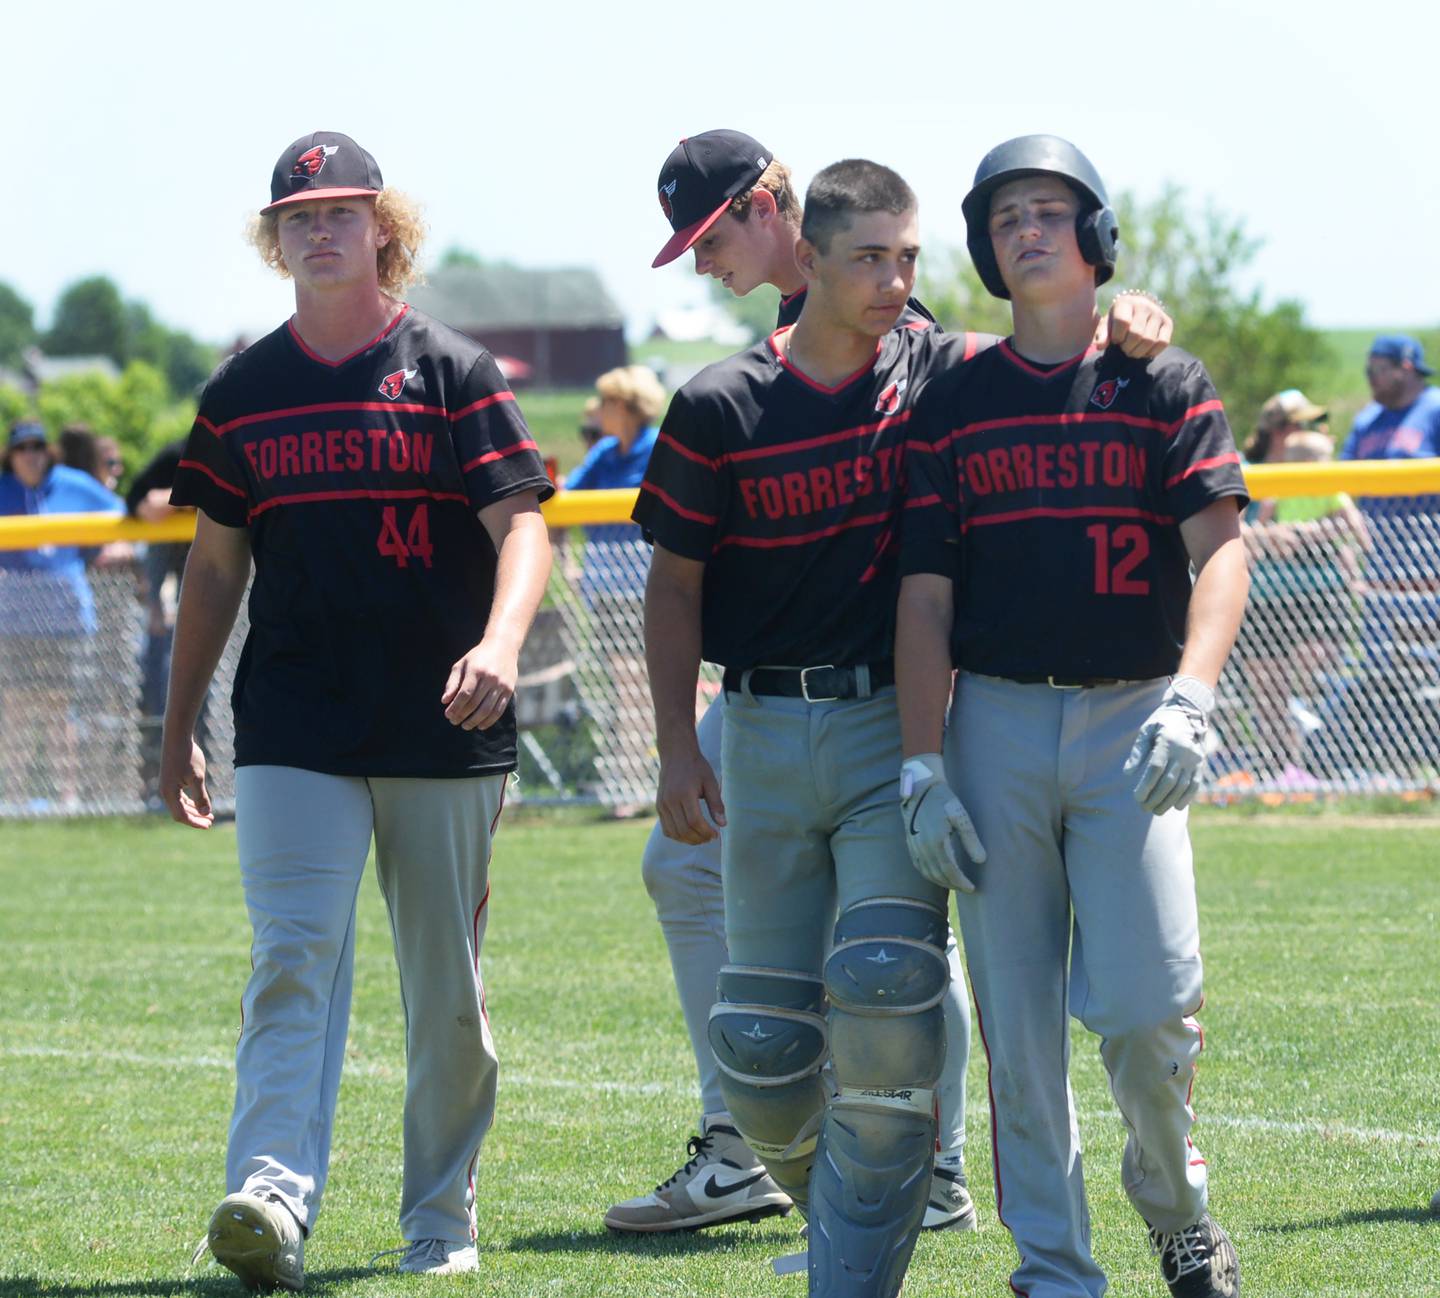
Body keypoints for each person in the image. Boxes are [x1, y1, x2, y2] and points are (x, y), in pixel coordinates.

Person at [605, 128, 1171, 1239]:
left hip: (895, 704)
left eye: (711, 233)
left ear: (774, 215)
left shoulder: (928, 359)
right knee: (743, 954)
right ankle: (775, 1153)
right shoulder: (731, 391)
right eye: (873, 258)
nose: (893, 279)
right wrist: (676, 740)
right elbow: (671, 588)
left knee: (891, 960)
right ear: (816, 252)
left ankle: (934, 1166)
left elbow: (1037, 343)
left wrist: (1122, 317)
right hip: (764, 705)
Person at [163, 131, 553, 1290]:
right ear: (272, 237)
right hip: (292, 723)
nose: (319, 230)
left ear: (384, 226)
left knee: (443, 989)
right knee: (292, 956)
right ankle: (271, 1203)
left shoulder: (452, 370)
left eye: (342, 210)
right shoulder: (243, 389)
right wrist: (179, 719)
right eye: (298, 215)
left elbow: (523, 525)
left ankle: (440, 1214)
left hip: (445, 718)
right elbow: (217, 565)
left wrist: (499, 641)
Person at [895, 136, 1249, 1298]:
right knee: (1022, 1042)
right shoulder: (952, 401)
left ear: (1095, 237)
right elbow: (927, 596)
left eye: (1050, 211)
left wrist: (1195, 691)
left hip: (1133, 714)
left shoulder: (1165, 378)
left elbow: (1222, 550)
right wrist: (918, 761)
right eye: (1005, 221)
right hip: (994, 724)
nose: (1027, 232)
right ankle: (1053, 1266)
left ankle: (1177, 1206)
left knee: (1150, 1009)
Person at [0, 421, 124, 809]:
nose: (31, 455)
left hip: (65, 617)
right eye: (23, 448)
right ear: (11, 455)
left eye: (37, 446)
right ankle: (13, 797)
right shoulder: (4, 487)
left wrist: (102, 549)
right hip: (14, 618)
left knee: (59, 709)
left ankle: (66, 799)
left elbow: (120, 513)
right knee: (16, 709)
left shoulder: (71, 482)